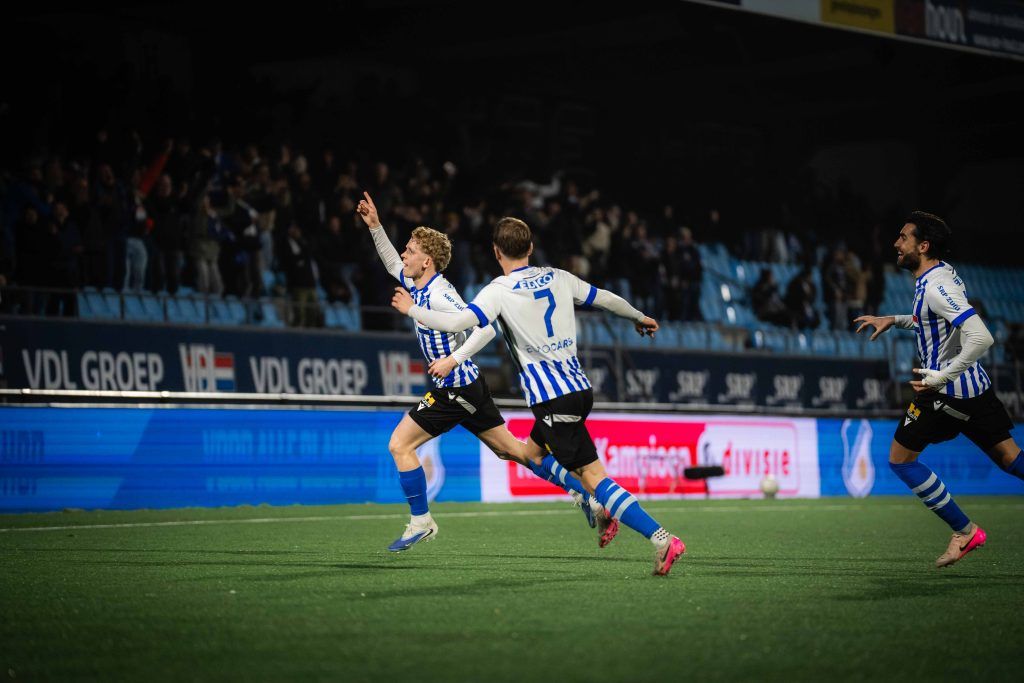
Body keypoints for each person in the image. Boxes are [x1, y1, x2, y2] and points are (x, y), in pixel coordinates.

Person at [392, 216, 686, 576]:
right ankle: (587, 499)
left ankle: (660, 537)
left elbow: (457, 324)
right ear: (530, 248)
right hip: (578, 389)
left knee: (595, 477)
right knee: (523, 452)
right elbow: (605, 298)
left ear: (496, 251)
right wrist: (639, 317)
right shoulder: (560, 276)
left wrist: (411, 310)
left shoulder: (497, 290)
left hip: (553, 400)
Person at [356, 193, 604, 553]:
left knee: (399, 444)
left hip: (455, 388)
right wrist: (375, 226)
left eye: (410, 250)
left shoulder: (441, 295)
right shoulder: (416, 283)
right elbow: (391, 261)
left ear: (427, 261)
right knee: (513, 451)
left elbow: (485, 329)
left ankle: (421, 522)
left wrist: (453, 359)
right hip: (468, 387)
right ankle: (584, 494)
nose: (405, 255)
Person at [855, 211, 1022, 568]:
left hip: (945, 393)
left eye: (903, 237)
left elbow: (982, 337)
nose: (896, 244)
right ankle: (964, 531)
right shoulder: (939, 274)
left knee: (900, 460)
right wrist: (895, 320)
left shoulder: (935, 286)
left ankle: (964, 532)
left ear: (923, 245)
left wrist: (941, 377)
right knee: (1012, 459)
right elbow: (933, 320)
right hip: (975, 388)